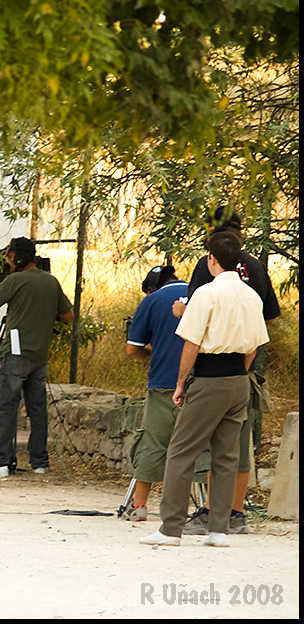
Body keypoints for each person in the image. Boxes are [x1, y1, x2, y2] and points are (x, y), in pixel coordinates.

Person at [140, 231, 269, 547]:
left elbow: (191, 344)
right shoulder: (252, 296)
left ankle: (171, 527)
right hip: (239, 378)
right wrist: (241, 372)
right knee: (226, 454)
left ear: (211, 259)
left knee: (182, 450)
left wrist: (181, 382)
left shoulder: (206, 295)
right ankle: (219, 529)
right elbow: (254, 346)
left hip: (209, 378)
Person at [172, 207, 281, 535]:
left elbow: (197, 317)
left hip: (210, 369)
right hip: (245, 368)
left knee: (198, 445)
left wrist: (181, 311)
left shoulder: (208, 267)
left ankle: (203, 515)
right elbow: (270, 317)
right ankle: (235, 514)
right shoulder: (257, 268)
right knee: (236, 447)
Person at [0, 236, 74, 477]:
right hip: (40, 355)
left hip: (16, 354)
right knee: (37, 409)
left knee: (7, 407)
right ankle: (39, 462)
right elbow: (68, 317)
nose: (8, 261)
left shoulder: (16, 280)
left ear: (18, 257)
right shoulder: (51, 282)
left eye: (10, 257)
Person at [124, 264, 203, 521]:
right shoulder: (203, 293)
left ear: (150, 288)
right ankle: (207, 508)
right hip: (202, 382)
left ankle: (139, 506)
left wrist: (152, 350)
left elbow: (132, 348)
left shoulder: (152, 300)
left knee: (153, 441)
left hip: (163, 383)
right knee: (202, 445)